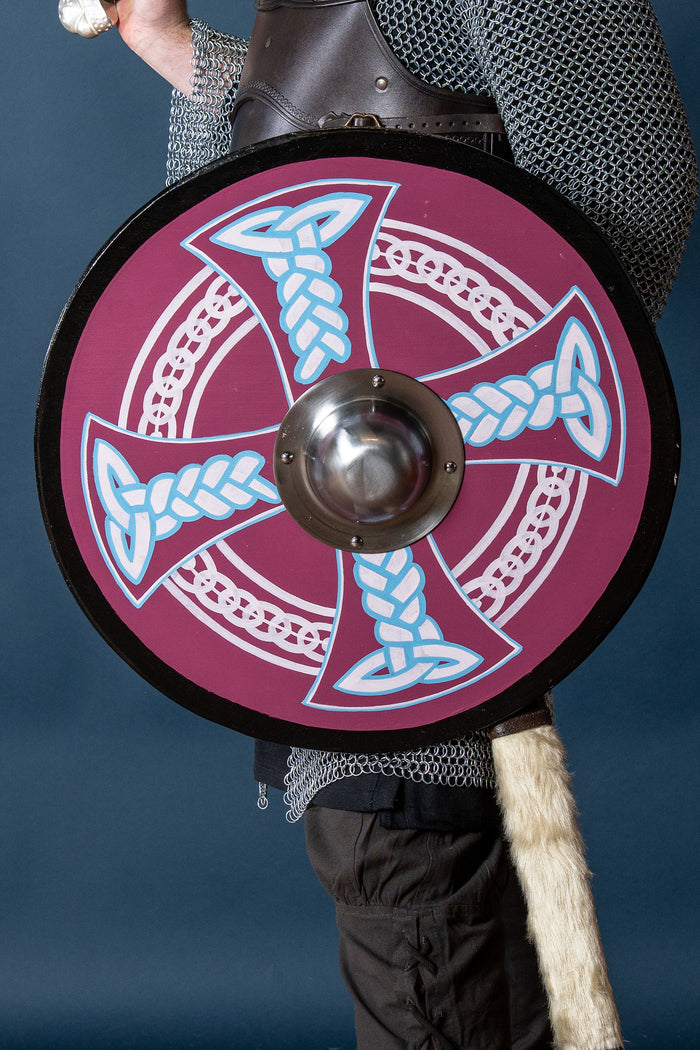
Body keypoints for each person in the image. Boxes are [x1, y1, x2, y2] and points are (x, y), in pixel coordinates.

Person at [67, 2, 697, 1047]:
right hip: (342, 537)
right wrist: (174, 52)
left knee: (408, 871)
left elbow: (625, 191)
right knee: (420, 886)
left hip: (427, 552)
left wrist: (456, 443)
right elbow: (303, 171)